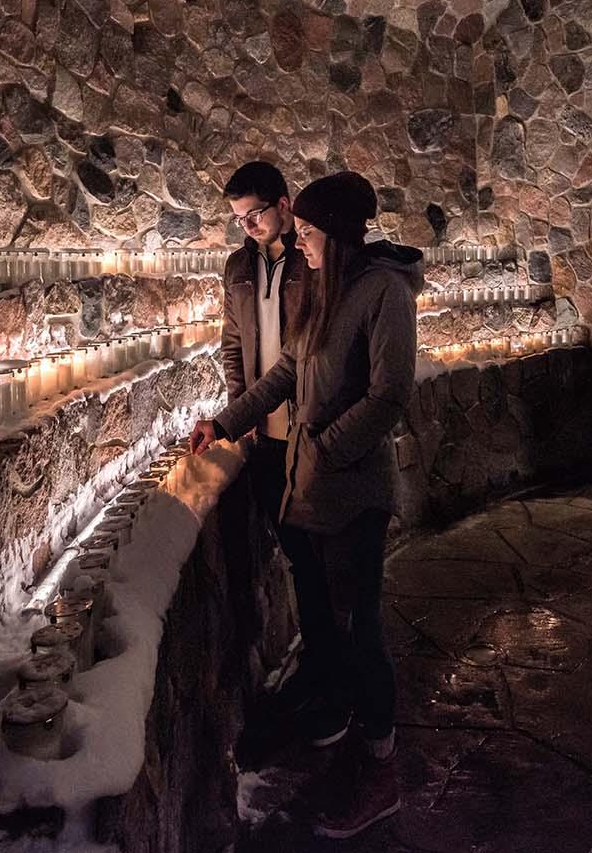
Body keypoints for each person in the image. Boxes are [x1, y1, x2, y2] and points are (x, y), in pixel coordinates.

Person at [192, 170, 422, 840]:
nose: (304, 243)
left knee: (362, 627)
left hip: (352, 492)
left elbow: (389, 395)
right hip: (313, 488)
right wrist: (227, 422)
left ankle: (379, 772)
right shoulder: (326, 288)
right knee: (336, 620)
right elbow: (289, 371)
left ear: (338, 235)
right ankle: (350, 738)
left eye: (313, 233)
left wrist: (323, 445)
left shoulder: (383, 291)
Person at [216, 162, 325, 739]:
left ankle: (326, 669)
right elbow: (234, 345)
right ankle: (318, 659)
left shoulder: (311, 262)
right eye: (239, 219)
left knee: (313, 556)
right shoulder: (237, 266)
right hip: (262, 432)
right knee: (293, 550)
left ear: (284, 204)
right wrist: (240, 413)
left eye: (255, 213)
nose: (248, 226)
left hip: (304, 427)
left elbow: (304, 355)